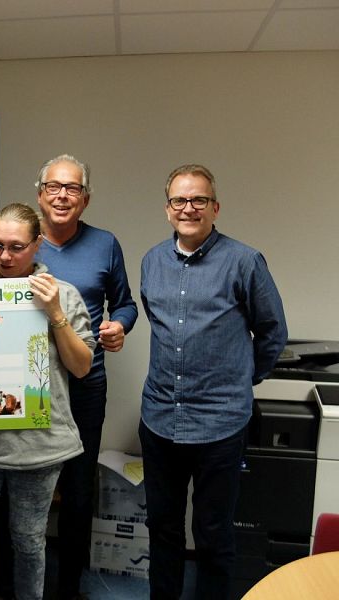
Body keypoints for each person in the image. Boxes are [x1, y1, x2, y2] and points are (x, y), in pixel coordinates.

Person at [139, 164, 287, 599]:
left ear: (215, 207)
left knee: (213, 533)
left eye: (199, 200)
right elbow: (158, 322)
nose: (189, 208)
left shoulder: (245, 261)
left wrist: (241, 379)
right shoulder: (151, 261)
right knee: (162, 528)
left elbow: (272, 332)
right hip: (160, 419)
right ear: (167, 209)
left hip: (220, 424)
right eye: (179, 200)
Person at [0, 203, 96, 600]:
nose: (5, 256)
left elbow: (82, 367)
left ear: (37, 244)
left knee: (30, 543)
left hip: (39, 445)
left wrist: (55, 313)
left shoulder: (63, 294)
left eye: (16, 247)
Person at [33, 154, 138, 600]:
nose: (62, 196)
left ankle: (68, 587)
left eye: (72, 188)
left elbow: (126, 303)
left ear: (86, 199)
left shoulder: (105, 244)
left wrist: (120, 326)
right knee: (22, 487)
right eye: (54, 187)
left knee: (78, 492)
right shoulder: (21, 241)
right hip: (29, 387)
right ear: (40, 194)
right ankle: (14, 584)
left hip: (85, 386)